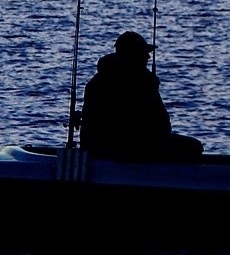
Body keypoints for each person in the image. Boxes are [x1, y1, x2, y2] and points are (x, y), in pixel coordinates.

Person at [79, 30, 203, 162]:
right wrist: (150, 84)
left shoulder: (98, 80)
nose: (148, 58)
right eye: (144, 53)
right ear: (132, 55)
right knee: (194, 147)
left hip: (109, 147)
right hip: (128, 146)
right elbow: (155, 125)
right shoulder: (138, 82)